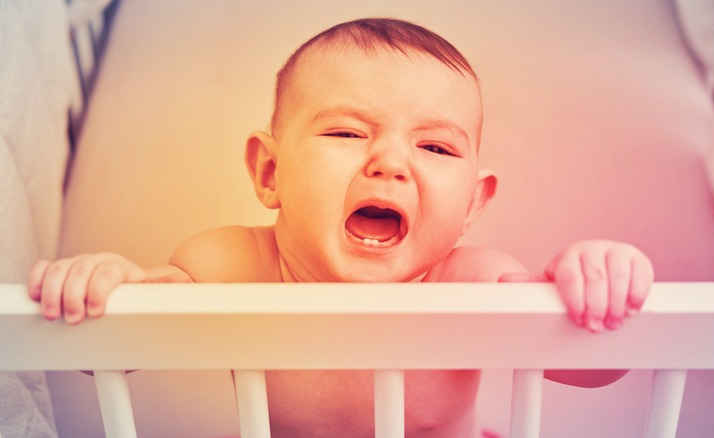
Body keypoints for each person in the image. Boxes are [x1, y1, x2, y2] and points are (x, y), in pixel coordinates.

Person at [27, 18, 653, 438]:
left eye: (435, 148)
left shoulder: (471, 279)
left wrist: (595, 286)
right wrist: (108, 290)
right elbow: (131, 336)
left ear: (471, 204)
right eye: (348, 134)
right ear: (270, 172)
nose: (390, 162)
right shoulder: (237, 264)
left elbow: (597, 367)